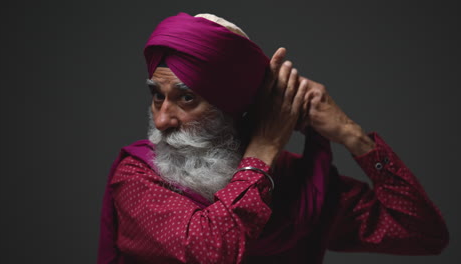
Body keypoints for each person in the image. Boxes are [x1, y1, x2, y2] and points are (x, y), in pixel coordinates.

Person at [97, 12, 449, 264]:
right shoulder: (139, 177)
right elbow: (209, 251)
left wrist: (352, 135)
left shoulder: (296, 183)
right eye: (157, 95)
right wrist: (264, 148)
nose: (161, 120)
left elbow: (422, 233)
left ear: (232, 106)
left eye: (186, 98)